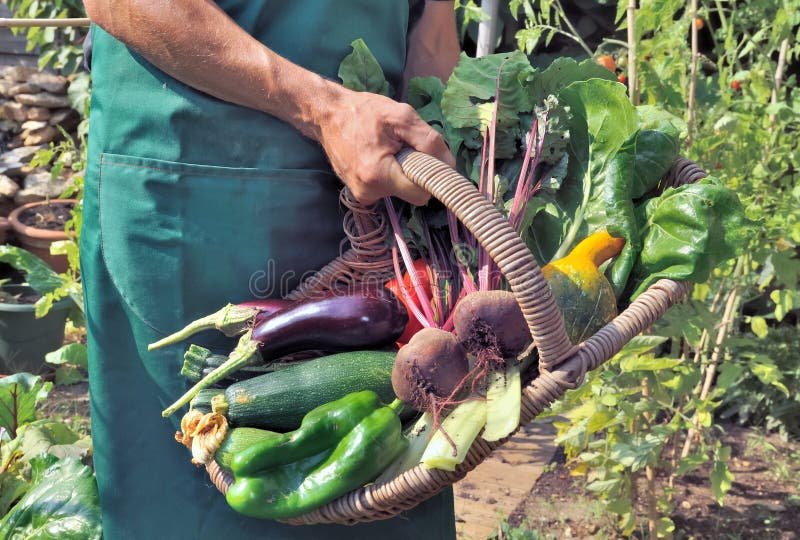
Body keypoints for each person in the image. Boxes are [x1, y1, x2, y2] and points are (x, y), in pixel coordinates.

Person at [78, 0, 461, 538]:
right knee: (207, 489)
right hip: (201, 186)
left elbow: (430, 23)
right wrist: (323, 109)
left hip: (376, 197)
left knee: (388, 483)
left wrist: (437, 127)